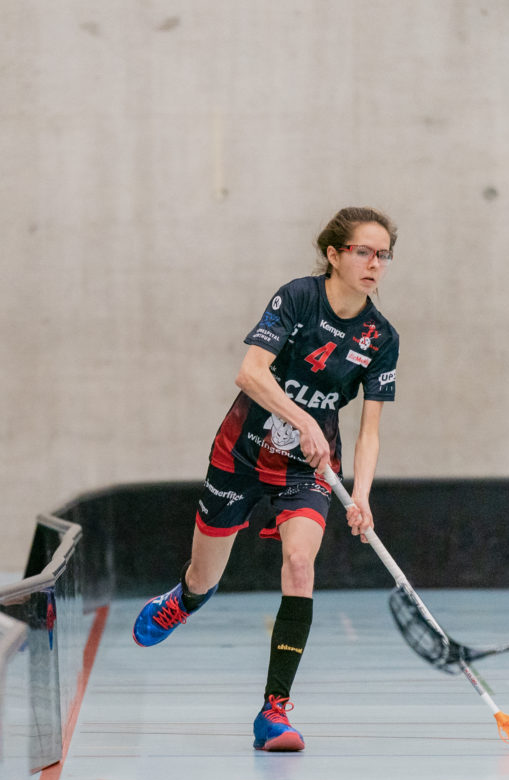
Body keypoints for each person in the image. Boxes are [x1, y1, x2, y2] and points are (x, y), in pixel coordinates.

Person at [133, 207, 400, 752]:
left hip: (310, 468)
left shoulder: (381, 338)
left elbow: (370, 430)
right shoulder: (298, 298)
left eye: (384, 255)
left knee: (300, 563)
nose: (375, 264)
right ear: (333, 253)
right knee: (205, 577)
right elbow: (250, 373)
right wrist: (303, 420)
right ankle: (186, 598)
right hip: (241, 453)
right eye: (363, 252)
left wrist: (364, 497)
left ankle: (273, 712)